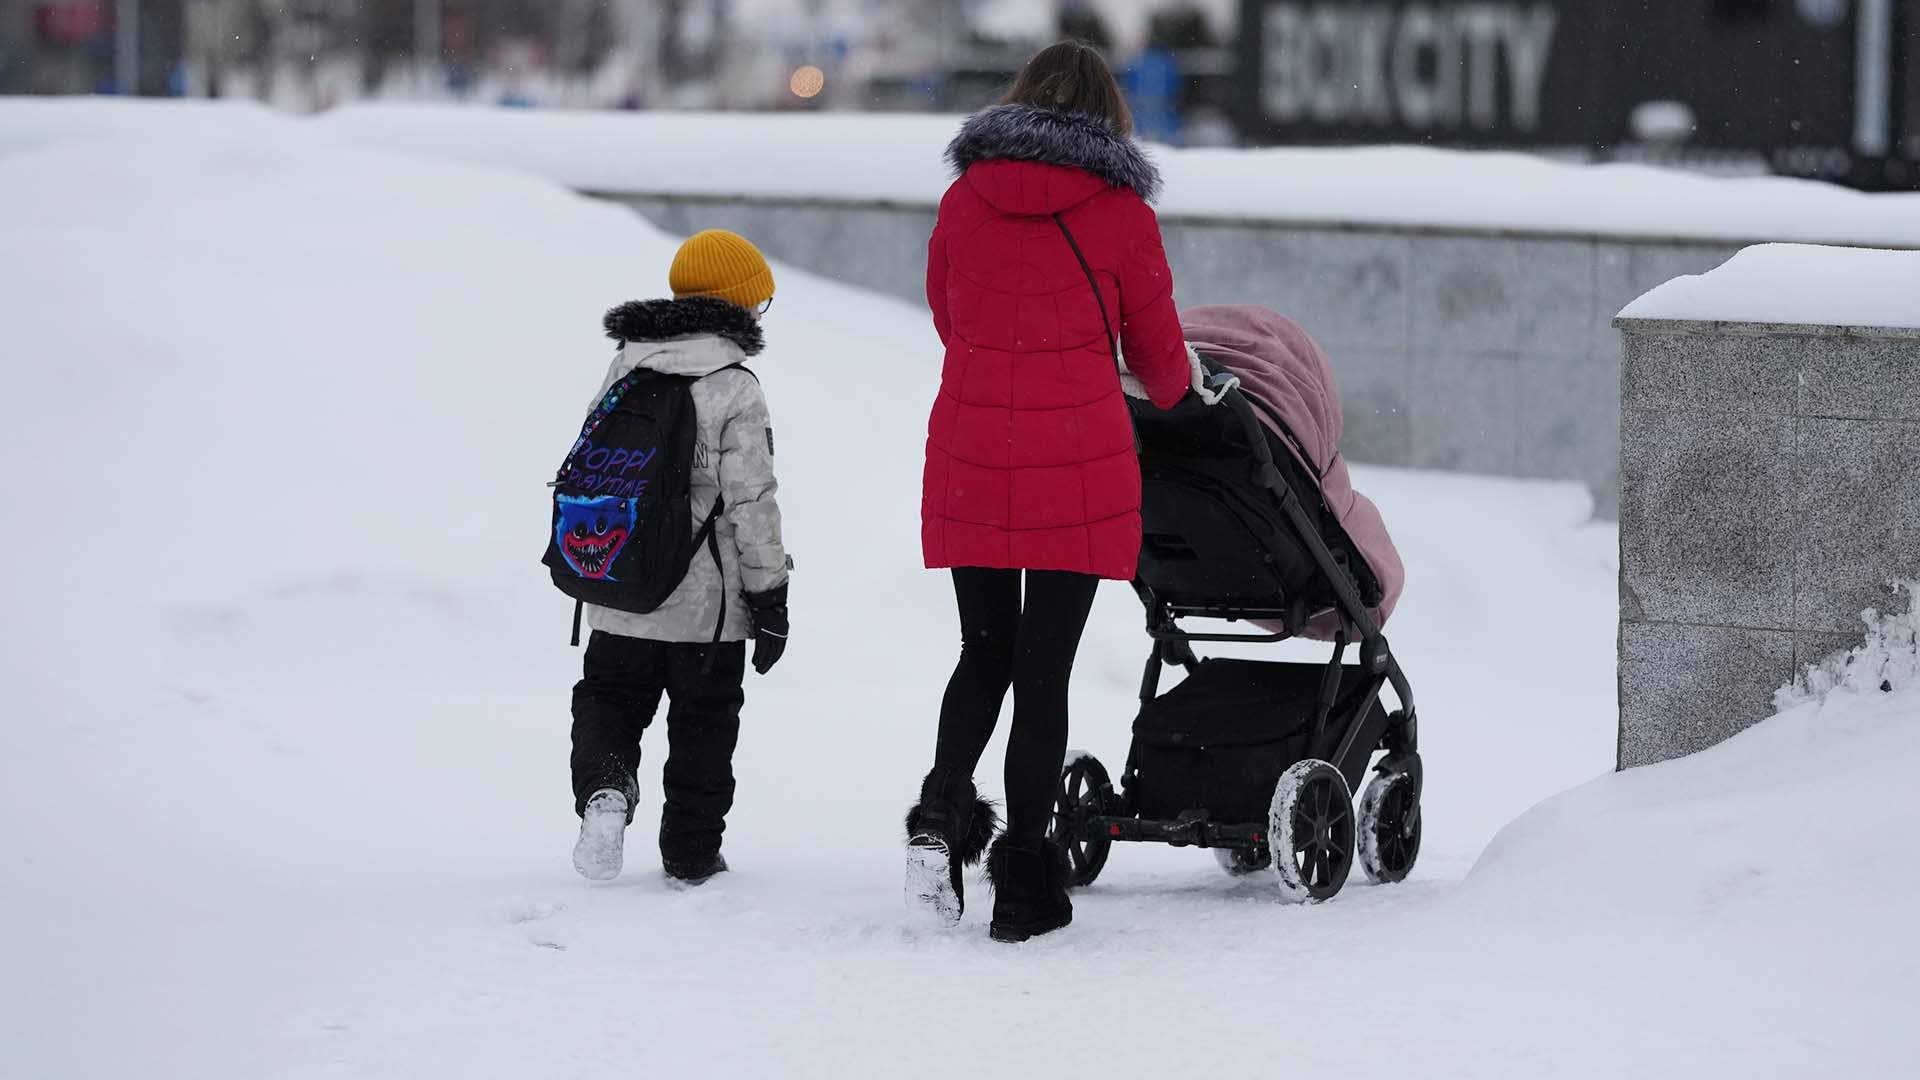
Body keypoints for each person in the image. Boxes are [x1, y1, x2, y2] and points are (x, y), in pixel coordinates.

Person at [909, 41, 1192, 941]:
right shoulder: (1121, 216)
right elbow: (1165, 370)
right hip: (1076, 462)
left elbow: (950, 318)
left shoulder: (965, 198)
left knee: (982, 650)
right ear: (1108, 113)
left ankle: (936, 818)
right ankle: (1025, 881)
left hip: (973, 450)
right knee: (1043, 671)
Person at [569, 229, 791, 887]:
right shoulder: (734, 387)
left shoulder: (627, 365)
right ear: (739, 305)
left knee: (609, 701)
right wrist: (770, 595)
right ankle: (691, 853)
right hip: (705, 609)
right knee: (703, 728)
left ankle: (605, 791)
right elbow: (752, 501)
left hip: (620, 586)